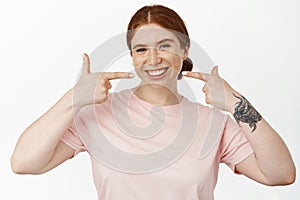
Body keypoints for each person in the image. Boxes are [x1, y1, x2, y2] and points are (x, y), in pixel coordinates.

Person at [11, 4, 295, 200]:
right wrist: (72, 100)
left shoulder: (213, 124)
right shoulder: (99, 114)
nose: (153, 58)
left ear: (184, 49)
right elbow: (24, 163)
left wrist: (235, 103)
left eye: (165, 45)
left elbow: (280, 174)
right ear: (132, 56)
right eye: (141, 49)